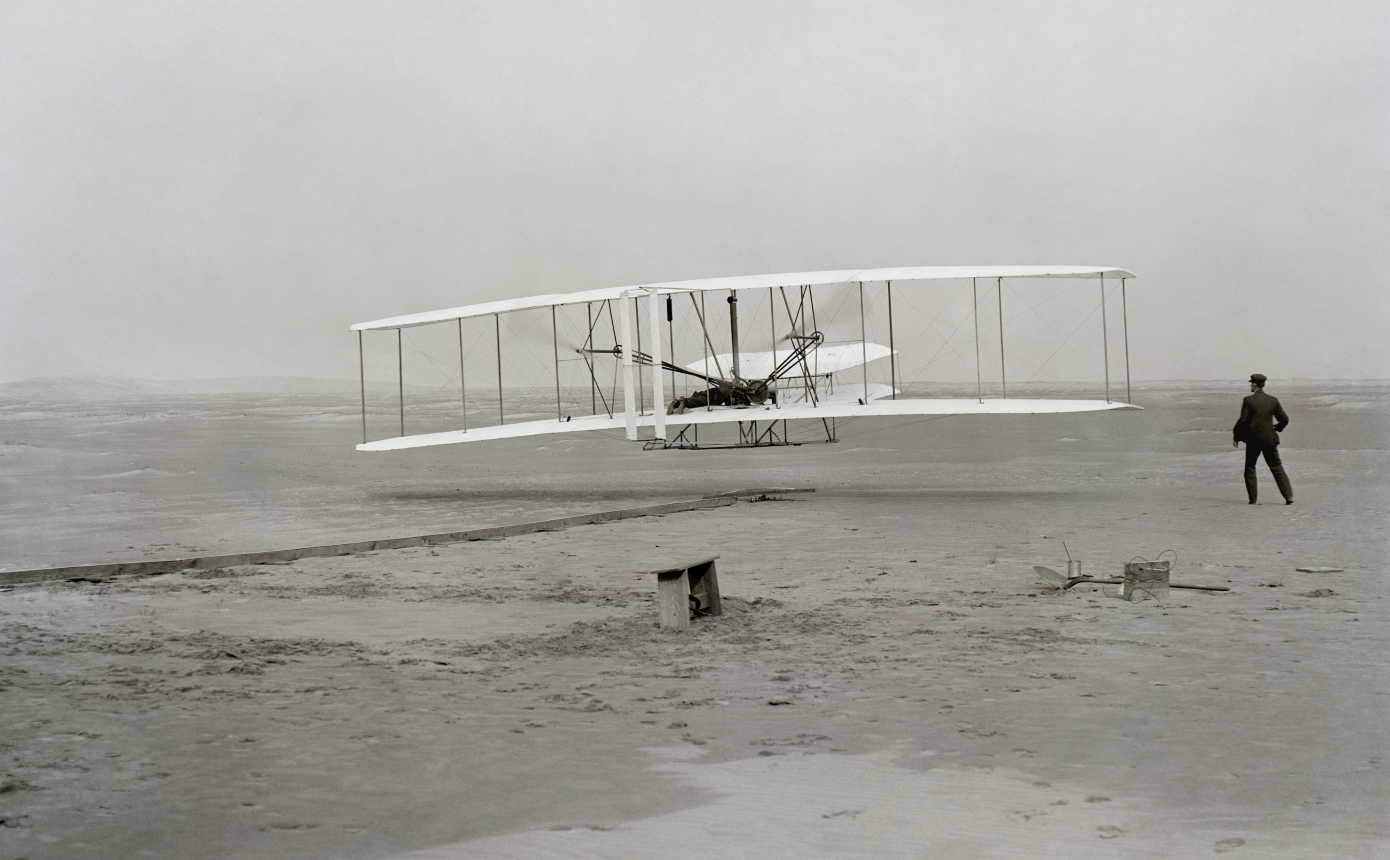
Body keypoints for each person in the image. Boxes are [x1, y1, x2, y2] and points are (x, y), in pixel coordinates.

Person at [1232, 373, 1293, 504]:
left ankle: (1253, 500)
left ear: (1254, 384)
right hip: (1270, 439)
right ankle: (1289, 497)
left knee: (1250, 468)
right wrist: (1277, 428)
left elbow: (1243, 420)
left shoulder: (1248, 400)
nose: (1250, 385)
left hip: (1254, 440)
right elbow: (1284, 419)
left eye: (1251, 383)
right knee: (1277, 467)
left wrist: (1236, 435)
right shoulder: (1273, 400)